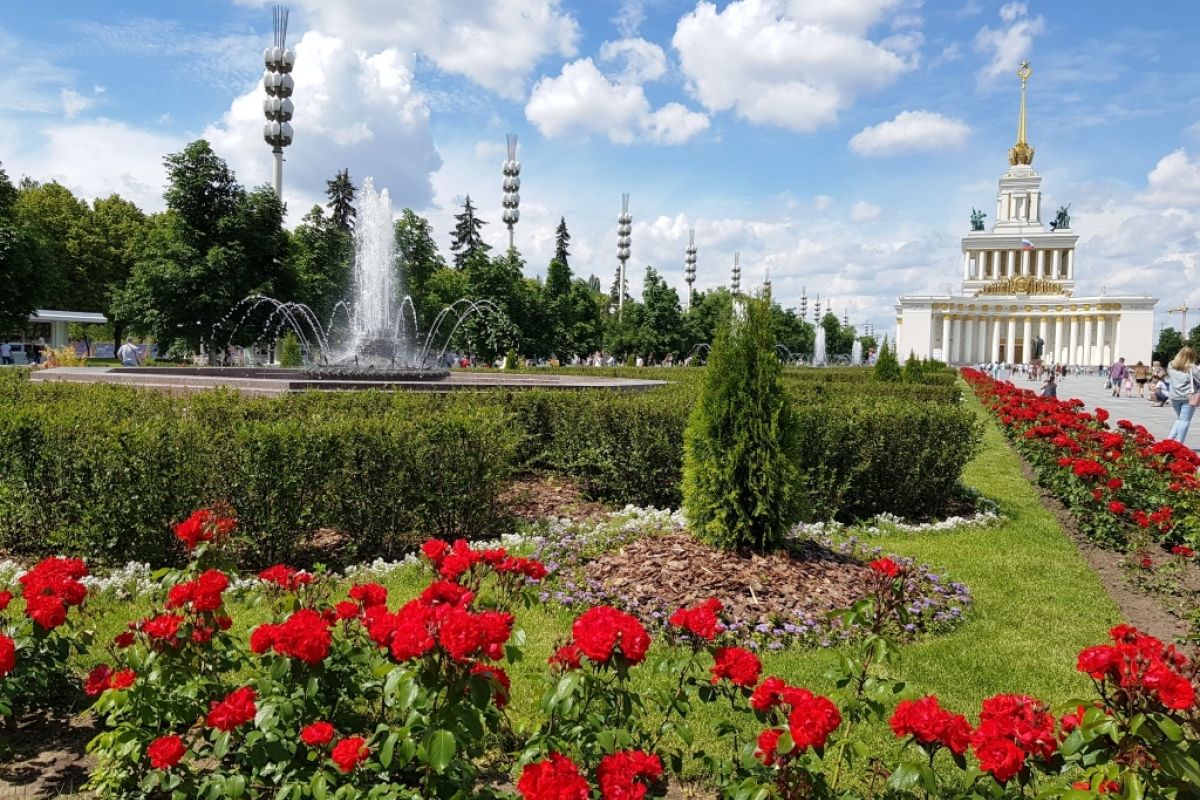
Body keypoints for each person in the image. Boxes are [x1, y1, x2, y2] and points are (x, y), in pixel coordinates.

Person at [1166, 347, 1200, 443]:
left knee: (1180, 419)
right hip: (1189, 397)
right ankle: (1179, 443)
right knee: (1184, 420)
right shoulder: (1192, 368)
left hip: (1174, 396)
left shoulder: (1170, 365)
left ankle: (1169, 440)